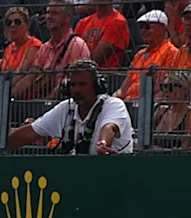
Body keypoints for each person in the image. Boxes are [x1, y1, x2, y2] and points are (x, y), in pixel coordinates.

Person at [9, 65, 138, 154]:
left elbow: (109, 127)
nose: (76, 89)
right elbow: (31, 132)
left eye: (82, 84)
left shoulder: (114, 105)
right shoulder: (66, 108)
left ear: (97, 87)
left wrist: (103, 144)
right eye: (73, 85)